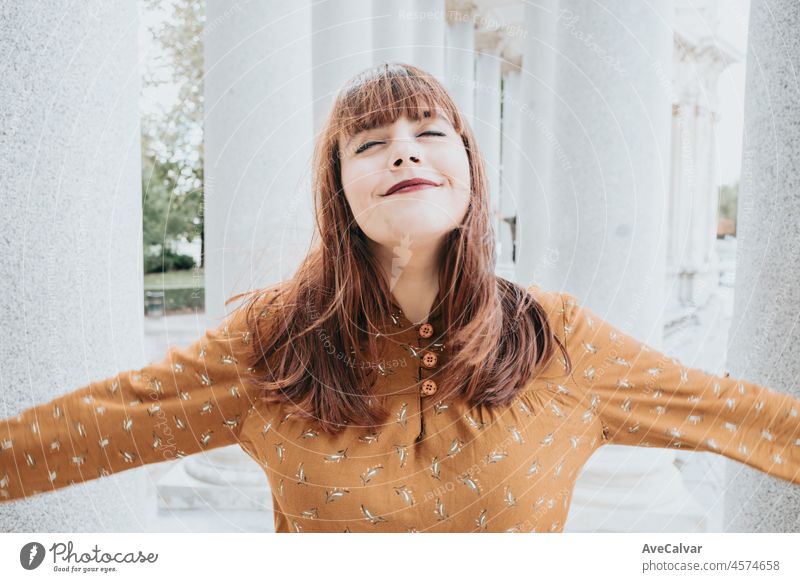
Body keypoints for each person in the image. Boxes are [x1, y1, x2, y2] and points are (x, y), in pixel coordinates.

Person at [2, 63, 799, 533]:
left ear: (469, 171)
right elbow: (92, 427)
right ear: (340, 191)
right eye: (371, 143)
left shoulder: (556, 337)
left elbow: (733, 413)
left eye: (428, 132)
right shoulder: (270, 340)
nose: (403, 151)